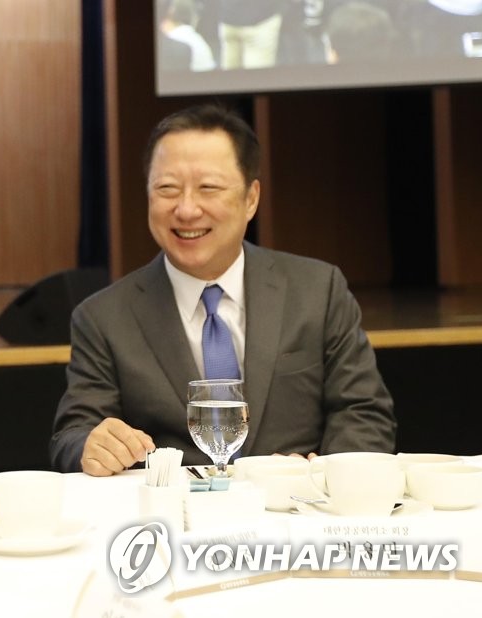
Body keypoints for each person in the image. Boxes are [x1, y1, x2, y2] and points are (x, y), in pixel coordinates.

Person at [50, 104, 396, 477]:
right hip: (174, 508)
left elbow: (363, 412)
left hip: (294, 504)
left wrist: (325, 476)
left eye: (208, 188)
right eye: (167, 188)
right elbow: (72, 435)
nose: (186, 209)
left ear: (251, 198)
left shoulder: (317, 291)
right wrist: (92, 446)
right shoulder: (102, 317)